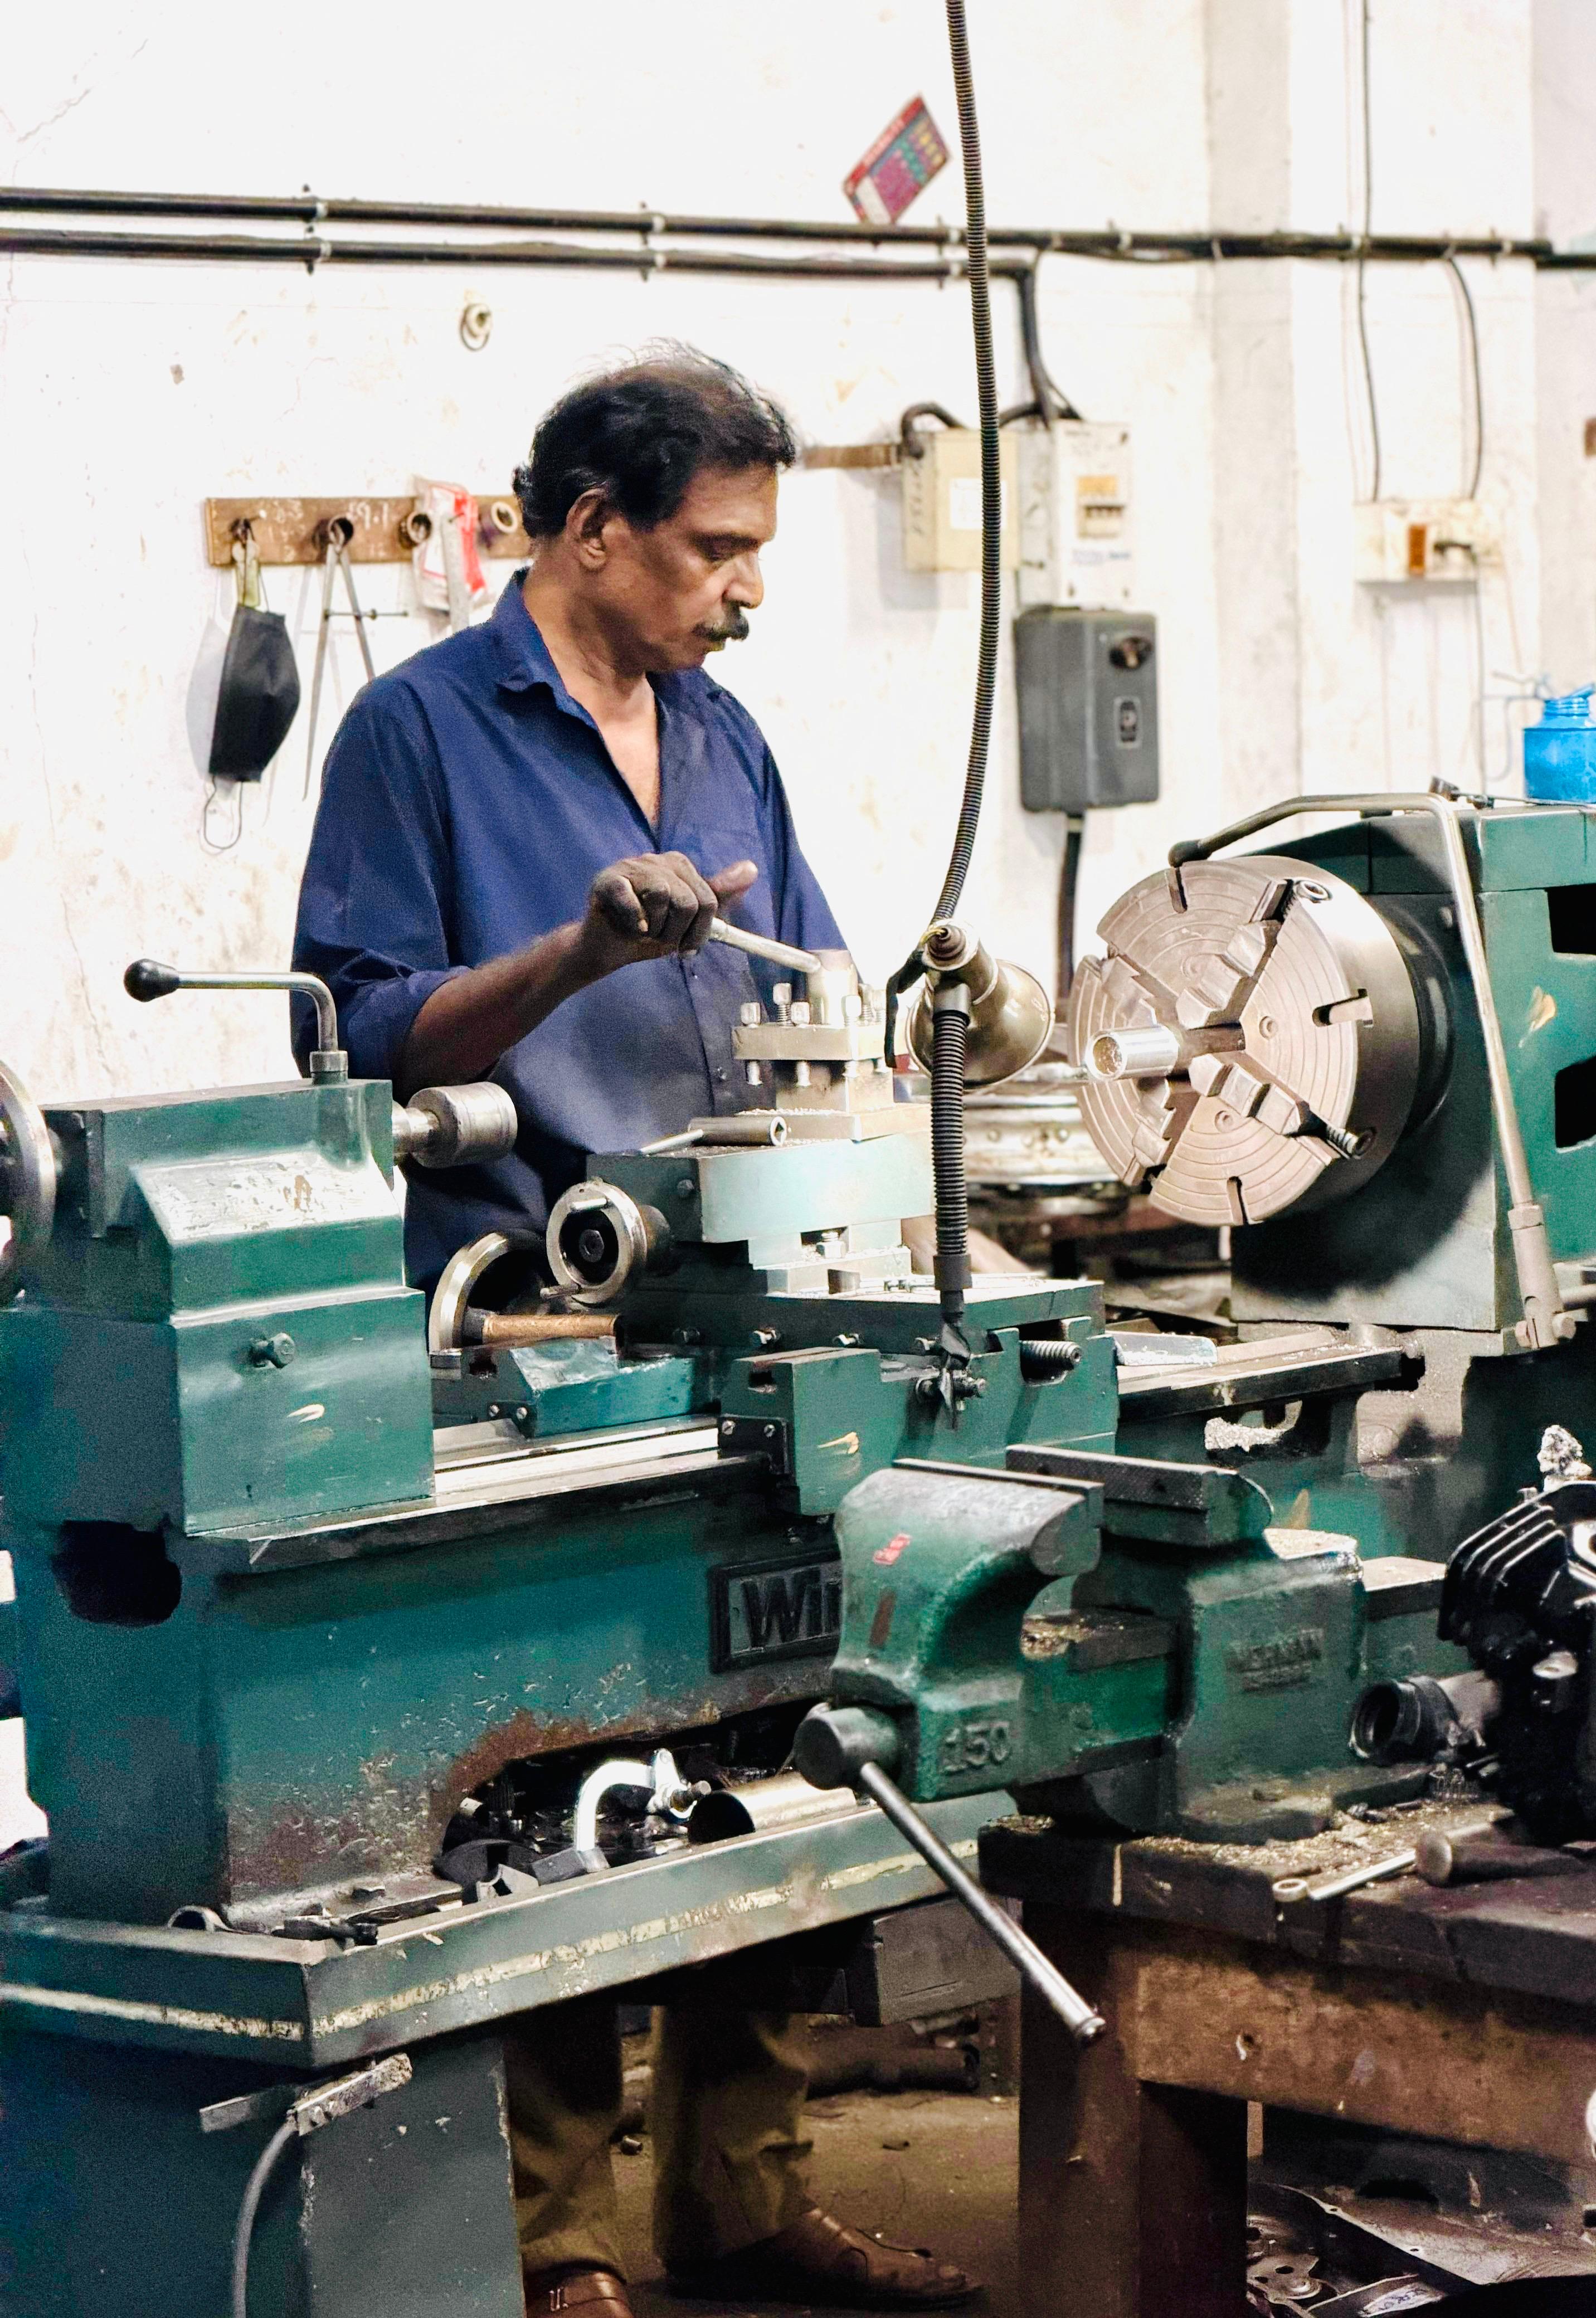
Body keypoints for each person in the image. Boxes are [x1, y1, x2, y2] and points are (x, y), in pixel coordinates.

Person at [292, 352, 974, 2318]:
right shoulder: (417, 736)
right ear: (591, 526)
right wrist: (580, 951)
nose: (741, 589)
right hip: (524, 1320)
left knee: (776, 1744)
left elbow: (810, 988)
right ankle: (564, 2246)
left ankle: (741, 2205)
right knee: (570, 1780)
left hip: (739, 1309)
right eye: (714, 549)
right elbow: (348, 1038)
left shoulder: (723, 729)